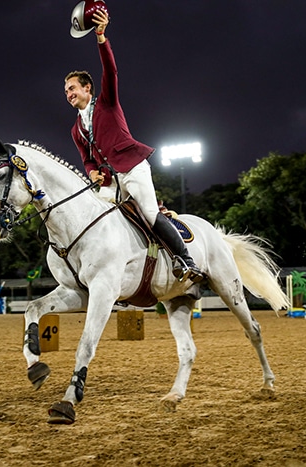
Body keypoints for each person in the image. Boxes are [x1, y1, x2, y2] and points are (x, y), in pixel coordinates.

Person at [64, 10, 204, 283]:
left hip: (133, 168)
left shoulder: (107, 102)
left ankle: (185, 260)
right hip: (110, 181)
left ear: (87, 89)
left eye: (72, 88)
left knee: (149, 213)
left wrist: (101, 37)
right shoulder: (75, 129)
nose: (68, 94)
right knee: (93, 215)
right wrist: (92, 172)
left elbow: (110, 70)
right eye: (66, 91)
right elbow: (88, 159)